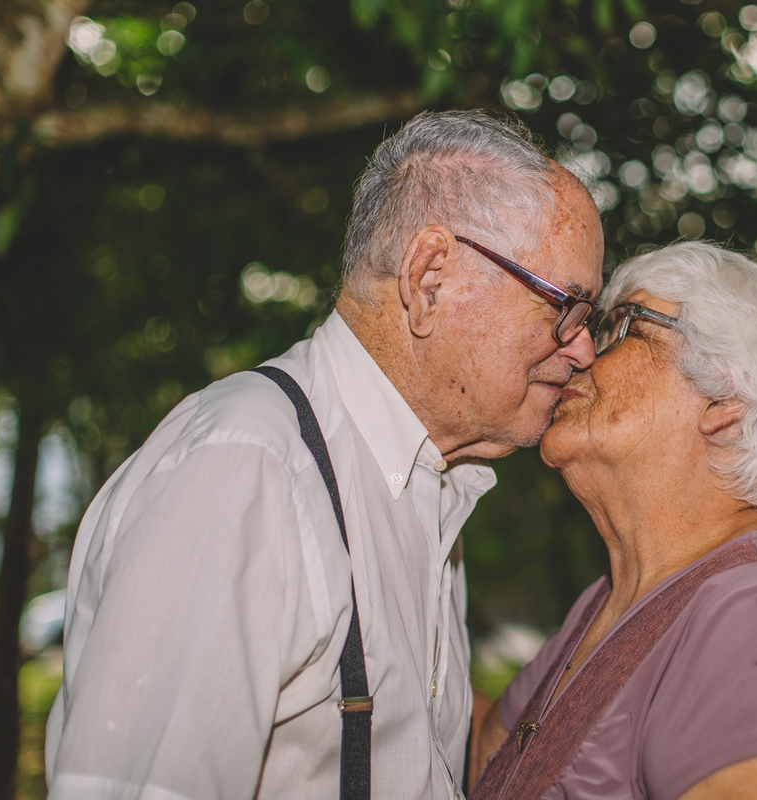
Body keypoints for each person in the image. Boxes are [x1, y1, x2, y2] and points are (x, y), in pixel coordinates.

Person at [44, 109, 604, 799]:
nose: (583, 348)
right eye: (566, 305)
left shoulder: (427, 489)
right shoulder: (245, 471)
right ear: (430, 278)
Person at [471, 241, 757, 800]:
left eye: (622, 326)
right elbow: (487, 760)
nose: (580, 349)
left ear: (726, 400)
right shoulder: (616, 598)